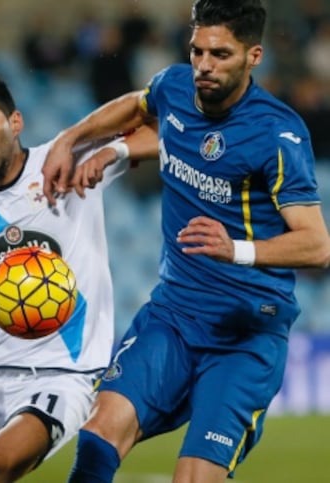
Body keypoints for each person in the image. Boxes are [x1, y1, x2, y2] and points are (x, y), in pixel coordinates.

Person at [41, 1, 330, 482]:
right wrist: (76, 140)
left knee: (193, 478)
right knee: (97, 436)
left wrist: (235, 248)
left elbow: (318, 245)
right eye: (197, 52)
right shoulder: (176, 85)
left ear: (253, 56)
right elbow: (142, 107)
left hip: (245, 336)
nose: (204, 66)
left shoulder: (276, 133)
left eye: (220, 54)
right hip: (174, 315)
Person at [0, 70, 152, 483]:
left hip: (64, 374)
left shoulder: (64, 158)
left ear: (15, 121)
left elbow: (162, 130)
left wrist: (107, 154)